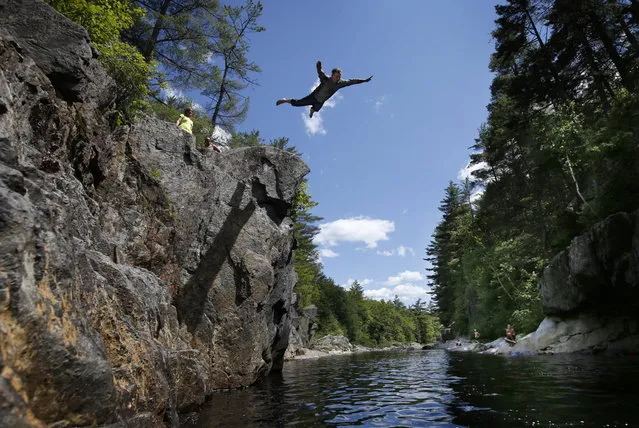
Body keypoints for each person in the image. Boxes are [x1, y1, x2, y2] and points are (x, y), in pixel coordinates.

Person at [276, 61, 373, 118]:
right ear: (332, 75)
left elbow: (353, 81)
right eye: (336, 76)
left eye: (339, 76)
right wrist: (319, 67)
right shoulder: (325, 79)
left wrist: (364, 80)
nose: (338, 78)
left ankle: (312, 110)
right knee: (298, 103)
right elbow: (320, 72)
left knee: (316, 109)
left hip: (321, 101)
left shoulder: (341, 83)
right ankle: (285, 100)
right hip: (314, 97)